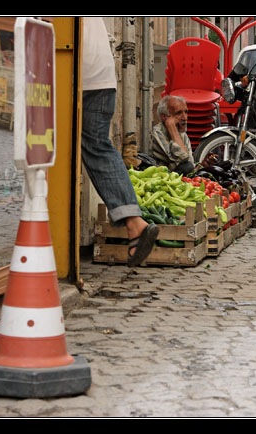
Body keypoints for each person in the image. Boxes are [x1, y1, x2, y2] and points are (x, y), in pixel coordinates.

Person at [81, 17, 158, 267]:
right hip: (102, 78)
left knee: (83, 148)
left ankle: (134, 223)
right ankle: (134, 222)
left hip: (82, 76)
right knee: (99, 147)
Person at [151, 95, 195, 175]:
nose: (185, 118)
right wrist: (171, 127)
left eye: (186, 112)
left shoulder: (182, 134)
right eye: (178, 113)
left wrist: (203, 164)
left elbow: (190, 163)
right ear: (164, 117)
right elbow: (183, 158)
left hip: (176, 175)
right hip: (162, 177)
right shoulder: (157, 133)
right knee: (187, 166)